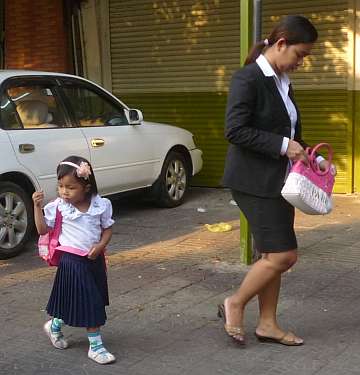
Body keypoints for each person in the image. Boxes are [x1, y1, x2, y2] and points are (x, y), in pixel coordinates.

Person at [220, 15, 335, 346]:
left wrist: (317, 159)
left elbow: (291, 133)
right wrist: (284, 147)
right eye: (300, 55)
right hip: (253, 182)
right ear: (281, 44)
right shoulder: (249, 78)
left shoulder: (283, 82)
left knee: (271, 255)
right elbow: (235, 130)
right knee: (284, 255)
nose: (301, 63)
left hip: (280, 182)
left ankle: (268, 324)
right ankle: (235, 303)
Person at [32, 155, 116, 364]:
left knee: (73, 299)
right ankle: (95, 347)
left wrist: (101, 246)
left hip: (93, 260)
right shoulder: (59, 207)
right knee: (91, 301)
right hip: (71, 261)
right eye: (60, 186)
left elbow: (107, 229)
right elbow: (42, 229)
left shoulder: (101, 205)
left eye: (70, 187)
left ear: (86, 187)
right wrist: (37, 207)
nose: (64, 192)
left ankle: (54, 326)